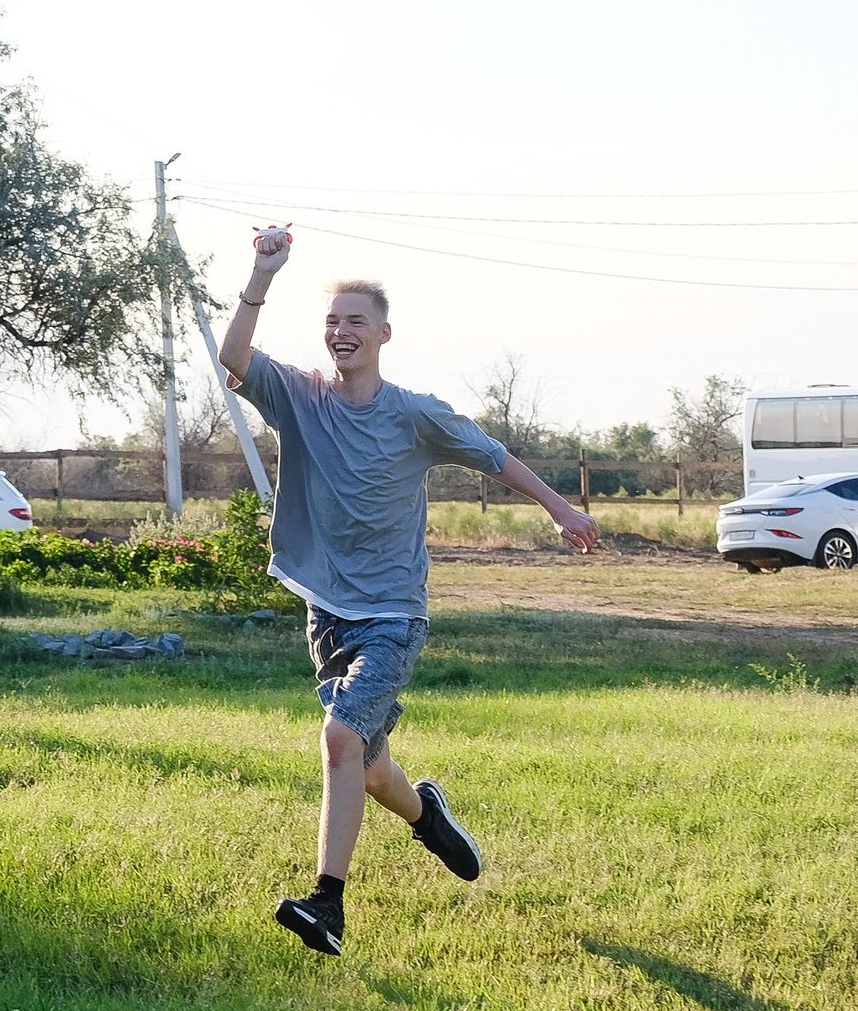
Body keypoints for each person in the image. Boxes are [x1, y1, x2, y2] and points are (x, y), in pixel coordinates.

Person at [218, 228, 596, 956]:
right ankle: (429, 816)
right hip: (326, 611)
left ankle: (327, 903)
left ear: (384, 333)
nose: (341, 330)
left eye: (356, 319)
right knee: (369, 761)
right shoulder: (298, 396)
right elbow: (233, 357)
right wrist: (261, 274)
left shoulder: (416, 413)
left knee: (338, 739)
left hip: (394, 613)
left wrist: (559, 506)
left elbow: (494, 458)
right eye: (333, 320)